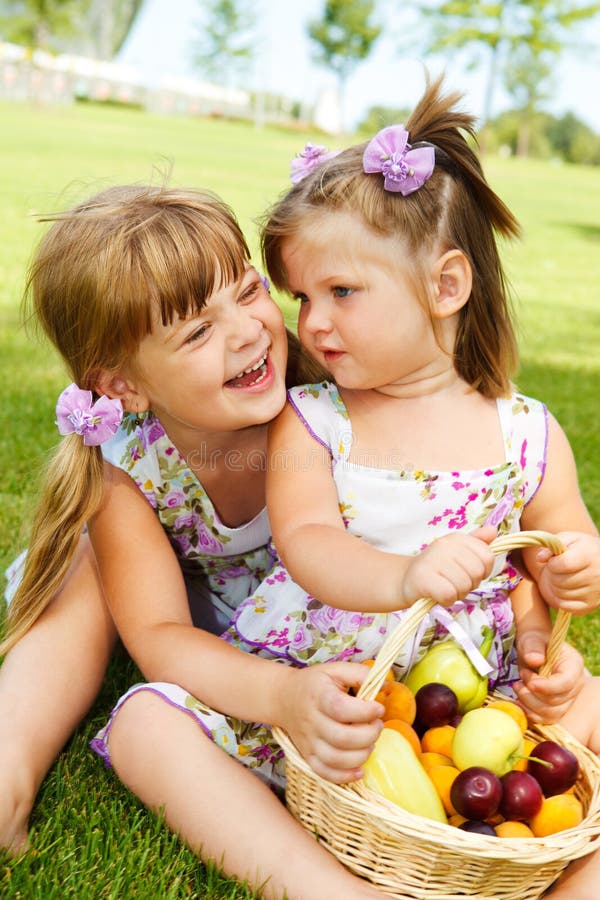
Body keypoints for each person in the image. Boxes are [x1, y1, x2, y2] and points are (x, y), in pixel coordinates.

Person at [0, 178, 592, 895]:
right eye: (197, 331)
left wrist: (540, 622)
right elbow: (158, 637)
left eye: (250, 293)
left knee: (575, 697)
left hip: (367, 630)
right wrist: (280, 697)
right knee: (101, 620)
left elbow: (496, 540)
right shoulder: (130, 469)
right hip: (225, 628)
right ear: (124, 387)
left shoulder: (342, 393)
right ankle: (10, 769)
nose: (250, 330)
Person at [223, 76, 600, 897]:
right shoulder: (316, 419)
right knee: (157, 727)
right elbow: (309, 542)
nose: (312, 324)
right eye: (303, 297)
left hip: (481, 686)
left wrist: (569, 586)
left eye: (342, 293)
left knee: (587, 711)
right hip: (344, 681)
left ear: (446, 286)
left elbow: (560, 545)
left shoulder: (525, 429)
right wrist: (402, 577)